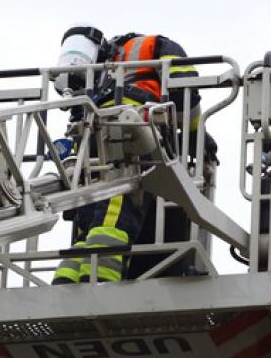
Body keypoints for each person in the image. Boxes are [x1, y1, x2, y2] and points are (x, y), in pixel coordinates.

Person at [52, 25, 213, 284]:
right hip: (130, 128)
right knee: (116, 205)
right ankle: (101, 275)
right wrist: (198, 137)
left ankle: (67, 277)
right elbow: (186, 92)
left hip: (91, 132)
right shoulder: (158, 45)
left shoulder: (104, 60)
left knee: (90, 211)